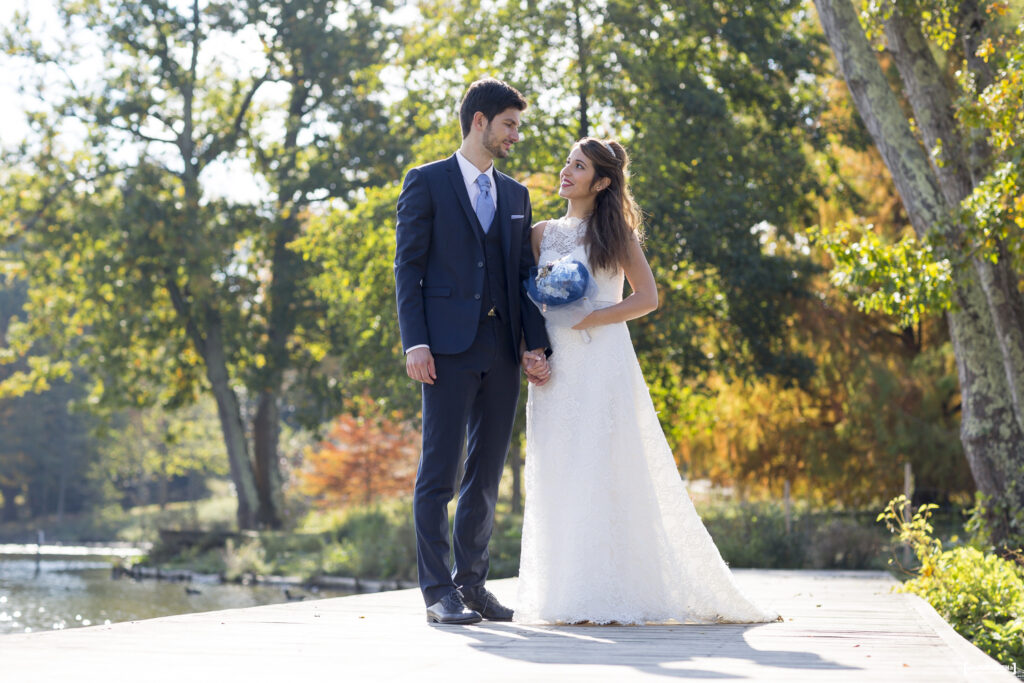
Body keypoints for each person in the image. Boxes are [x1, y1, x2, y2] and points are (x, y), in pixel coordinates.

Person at [515, 138, 778, 625]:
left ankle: (605, 593)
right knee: (556, 468)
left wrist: (594, 318)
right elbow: (526, 302)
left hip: (600, 360)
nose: (566, 171)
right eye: (568, 163)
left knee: (602, 465)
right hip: (554, 367)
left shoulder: (615, 236)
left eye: (579, 166)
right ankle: (563, 593)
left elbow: (647, 298)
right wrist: (532, 351)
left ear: (602, 181)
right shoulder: (539, 233)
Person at [394, 77, 552, 625]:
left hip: (502, 350)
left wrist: (536, 345)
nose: (516, 135)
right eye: (509, 124)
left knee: (485, 476)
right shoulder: (426, 182)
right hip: (444, 350)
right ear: (479, 121)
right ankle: (438, 592)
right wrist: (415, 341)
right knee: (438, 473)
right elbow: (408, 268)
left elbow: (523, 275)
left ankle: (473, 585)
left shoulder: (516, 195)